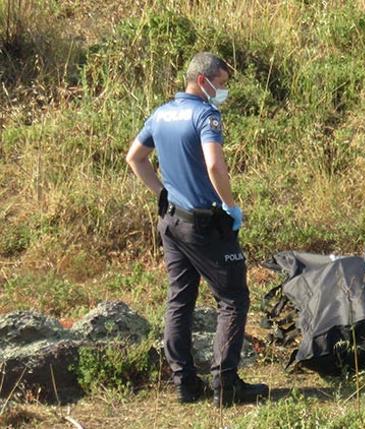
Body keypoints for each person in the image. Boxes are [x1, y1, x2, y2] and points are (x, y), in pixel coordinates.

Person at [125, 52, 268, 406]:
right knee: (234, 298)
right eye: (221, 83)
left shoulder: (160, 114)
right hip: (203, 222)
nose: (224, 91)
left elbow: (135, 158)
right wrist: (231, 205)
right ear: (202, 80)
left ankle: (184, 384)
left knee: (180, 298)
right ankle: (226, 384)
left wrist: (163, 194)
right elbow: (214, 165)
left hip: (171, 221)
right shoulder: (206, 114)